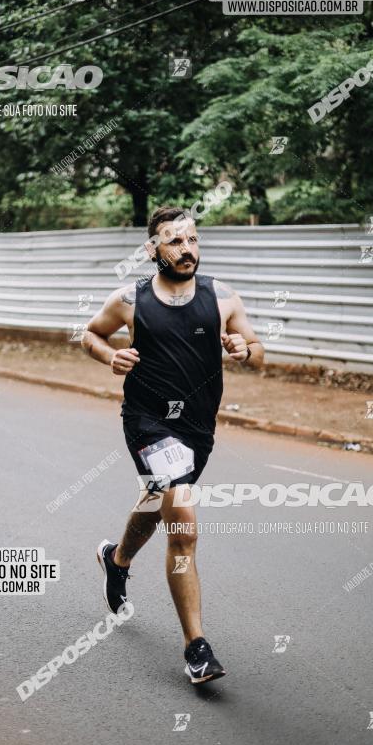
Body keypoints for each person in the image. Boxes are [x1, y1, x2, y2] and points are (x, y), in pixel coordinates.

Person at [82, 206, 264, 684]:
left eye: (193, 241)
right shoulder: (130, 299)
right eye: (175, 241)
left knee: (159, 500)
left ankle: (115, 560)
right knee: (181, 519)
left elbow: (259, 349)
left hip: (198, 428)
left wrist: (246, 351)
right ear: (153, 249)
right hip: (146, 421)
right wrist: (110, 355)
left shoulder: (222, 298)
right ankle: (196, 647)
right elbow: (91, 334)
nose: (188, 250)